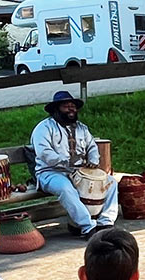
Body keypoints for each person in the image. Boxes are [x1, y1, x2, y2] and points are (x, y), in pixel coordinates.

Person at [31, 91, 119, 239]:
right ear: (56, 109)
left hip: (78, 171)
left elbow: (91, 146)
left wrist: (93, 160)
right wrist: (65, 161)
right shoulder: (44, 128)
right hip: (51, 172)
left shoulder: (82, 128)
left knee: (110, 182)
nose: (71, 109)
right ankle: (88, 227)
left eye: (73, 106)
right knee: (66, 188)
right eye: (66, 106)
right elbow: (44, 152)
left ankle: (106, 223)